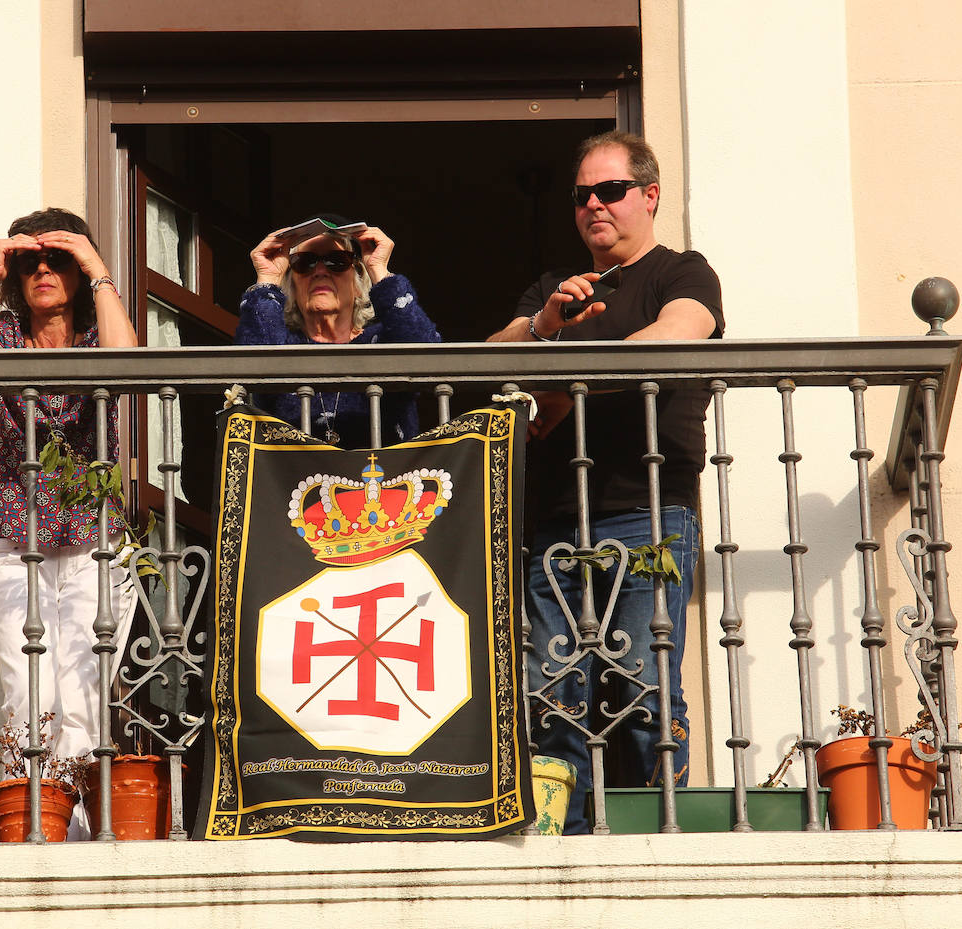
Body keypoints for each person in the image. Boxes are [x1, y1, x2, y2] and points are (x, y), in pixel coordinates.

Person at [489, 132, 724, 834]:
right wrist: (545, 324)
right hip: (558, 520)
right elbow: (487, 360)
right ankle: (561, 835)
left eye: (610, 190)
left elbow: (681, 332)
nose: (594, 204)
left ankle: (663, 834)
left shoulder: (681, 271)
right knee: (554, 690)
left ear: (649, 195)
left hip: (647, 515)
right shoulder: (553, 292)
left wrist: (567, 386)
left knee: (645, 687)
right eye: (582, 195)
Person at [0, 207, 139, 840]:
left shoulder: (95, 339)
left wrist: (95, 266)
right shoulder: (6, 336)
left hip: (96, 542)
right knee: (27, 696)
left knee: (86, 698)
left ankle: (86, 835)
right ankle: (33, 827)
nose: (42, 269)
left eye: (55, 259)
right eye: (29, 261)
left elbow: (128, 366)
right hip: (18, 542)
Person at [235, 214, 440, 448]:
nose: (320, 271)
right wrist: (268, 278)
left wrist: (379, 270)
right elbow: (253, 366)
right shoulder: (282, 344)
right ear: (291, 284)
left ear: (358, 282)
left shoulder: (380, 342)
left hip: (382, 480)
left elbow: (425, 353)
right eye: (305, 262)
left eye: (337, 261)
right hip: (294, 480)